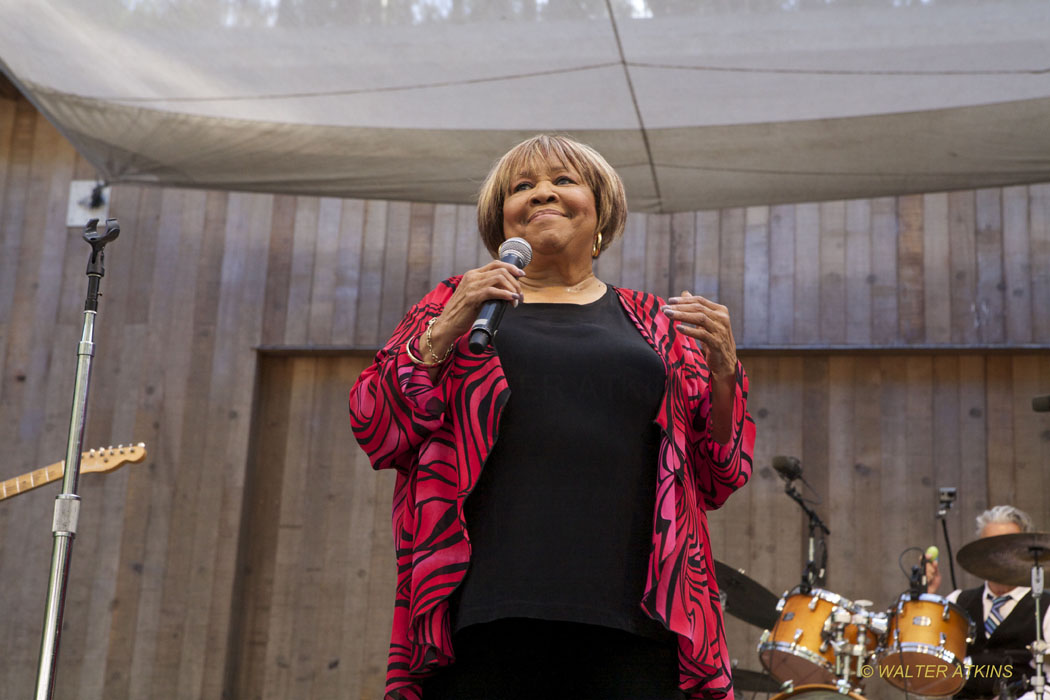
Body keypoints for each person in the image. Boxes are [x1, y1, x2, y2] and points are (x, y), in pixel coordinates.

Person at [349, 134, 756, 700]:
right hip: (484, 609)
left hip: (639, 615)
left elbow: (719, 475)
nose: (542, 193)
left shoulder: (658, 325)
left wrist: (725, 376)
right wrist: (446, 326)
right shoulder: (456, 305)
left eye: (563, 181)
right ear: (502, 220)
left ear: (600, 210)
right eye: (522, 187)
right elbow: (378, 427)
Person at [927, 505, 1050, 700]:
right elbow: (924, 666)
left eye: (1008, 546)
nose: (999, 555)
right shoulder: (958, 601)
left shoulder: (1045, 606)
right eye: (989, 546)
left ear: (1026, 552)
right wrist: (927, 594)